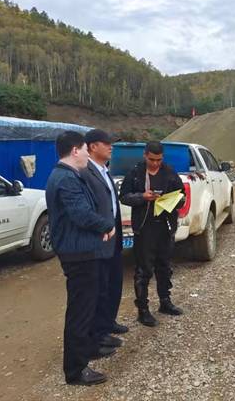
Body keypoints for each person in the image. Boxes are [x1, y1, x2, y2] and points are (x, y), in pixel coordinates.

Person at [46, 131, 116, 386]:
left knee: (86, 305)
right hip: (78, 255)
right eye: (86, 149)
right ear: (75, 150)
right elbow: (81, 214)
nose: (88, 154)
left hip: (82, 250)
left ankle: (86, 351)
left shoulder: (69, 175)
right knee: (81, 311)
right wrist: (106, 226)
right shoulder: (66, 179)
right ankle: (75, 370)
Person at [119, 141, 184, 327]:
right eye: (152, 159)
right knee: (144, 270)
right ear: (145, 155)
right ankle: (143, 310)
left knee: (164, 266)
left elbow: (182, 196)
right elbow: (124, 197)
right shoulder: (135, 173)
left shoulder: (169, 172)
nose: (155, 163)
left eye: (159, 160)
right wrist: (142, 197)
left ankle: (165, 301)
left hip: (165, 226)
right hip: (144, 227)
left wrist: (173, 200)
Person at [80, 129, 128, 351]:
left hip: (113, 237)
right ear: (92, 147)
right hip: (99, 239)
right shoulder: (85, 172)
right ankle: (98, 334)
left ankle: (108, 322)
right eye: (106, 143)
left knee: (113, 283)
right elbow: (88, 209)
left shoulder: (104, 170)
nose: (111, 147)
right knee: (99, 288)